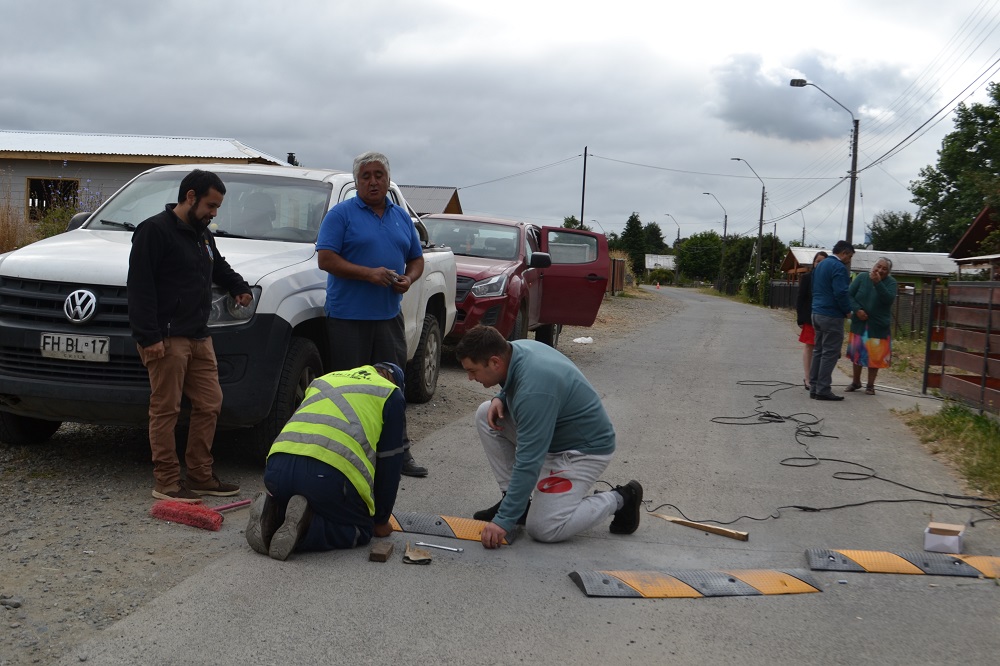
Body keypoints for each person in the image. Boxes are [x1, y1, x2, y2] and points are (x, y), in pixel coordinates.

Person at [455, 325, 643, 549]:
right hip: (553, 434)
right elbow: (519, 383)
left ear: (495, 362)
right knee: (486, 412)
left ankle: (621, 498)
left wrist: (503, 521)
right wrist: (501, 396)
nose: (469, 378)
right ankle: (517, 504)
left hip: (581, 451)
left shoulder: (534, 392)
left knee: (544, 528)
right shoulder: (516, 349)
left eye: (473, 371)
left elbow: (529, 461)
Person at [127, 169, 252, 502]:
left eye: (217, 207)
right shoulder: (153, 231)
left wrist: (238, 286)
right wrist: (149, 336)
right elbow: (139, 288)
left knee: (211, 404)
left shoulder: (202, 233)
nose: (214, 213)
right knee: (165, 410)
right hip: (166, 339)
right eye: (211, 205)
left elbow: (217, 265)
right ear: (191, 196)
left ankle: (199, 475)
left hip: (199, 336)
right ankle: (166, 482)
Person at [315, 151, 428, 478]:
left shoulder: (401, 216)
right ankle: (350, 457)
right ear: (357, 181)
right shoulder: (341, 215)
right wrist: (369, 274)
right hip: (348, 318)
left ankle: (399, 454)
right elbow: (326, 259)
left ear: (388, 178)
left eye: (379, 174)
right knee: (351, 392)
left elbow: (416, 259)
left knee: (393, 386)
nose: (373, 181)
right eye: (366, 176)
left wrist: (409, 277)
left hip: (388, 317)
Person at [245, 362, 406, 561]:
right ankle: (307, 528)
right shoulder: (391, 393)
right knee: (362, 529)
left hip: (277, 469)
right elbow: (390, 463)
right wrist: (380, 520)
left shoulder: (324, 379)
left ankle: (274, 511)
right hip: (326, 477)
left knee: (309, 498)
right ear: (395, 381)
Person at [809, 240, 855, 401]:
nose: (849, 260)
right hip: (831, 314)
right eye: (849, 256)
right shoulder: (839, 268)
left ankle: (814, 386)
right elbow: (841, 292)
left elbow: (815, 287)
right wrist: (848, 311)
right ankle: (823, 389)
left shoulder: (821, 265)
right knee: (830, 353)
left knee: (818, 351)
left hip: (816, 312)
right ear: (843, 253)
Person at [845, 257, 898, 395]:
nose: (880, 270)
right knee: (857, 354)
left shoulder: (891, 283)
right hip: (859, 323)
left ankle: (870, 385)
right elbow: (849, 295)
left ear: (888, 272)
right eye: (878, 266)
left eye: (884, 269)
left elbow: (888, 300)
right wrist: (857, 310)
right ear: (873, 266)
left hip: (878, 326)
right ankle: (856, 382)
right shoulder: (862, 277)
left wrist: (878, 283)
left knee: (875, 356)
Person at [796, 251, 829, 391]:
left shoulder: (830, 278)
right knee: (810, 346)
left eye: (823, 262)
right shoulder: (808, 278)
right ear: (813, 263)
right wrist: (800, 318)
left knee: (823, 348)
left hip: (826, 317)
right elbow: (801, 298)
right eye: (818, 261)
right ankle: (808, 378)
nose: (820, 264)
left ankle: (820, 378)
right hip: (810, 318)